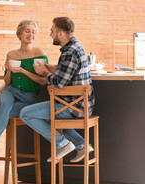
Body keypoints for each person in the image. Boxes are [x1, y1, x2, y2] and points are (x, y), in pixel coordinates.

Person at [0, 20, 48, 175]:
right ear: (20, 33)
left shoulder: (39, 53)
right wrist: (9, 70)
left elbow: (43, 80)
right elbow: (7, 82)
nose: (31, 34)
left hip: (29, 98)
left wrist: (23, 71)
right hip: (11, 92)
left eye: (33, 31)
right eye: (27, 31)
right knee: (5, 99)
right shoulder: (11, 54)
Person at [20, 17, 95, 163]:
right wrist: (50, 67)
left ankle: (62, 144)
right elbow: (67, 72)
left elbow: (59, 83)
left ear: (61, 33)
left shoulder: (69, 52)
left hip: (72, 107)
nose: (50, 34)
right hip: (80, 105)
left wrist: (44, 73)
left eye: (52, 31)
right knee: (50, 117)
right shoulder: (74, 47)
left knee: (26, 114)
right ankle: (82, 145)